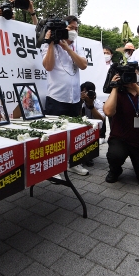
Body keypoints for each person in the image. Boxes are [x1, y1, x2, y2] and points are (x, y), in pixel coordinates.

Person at [41, 15, 89, 176]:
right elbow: (48, 66)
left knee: (73, 132)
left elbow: (83, 65)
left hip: (74, 98)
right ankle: (52, 167)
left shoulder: (76, 46)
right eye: (71, 28)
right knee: (54, 134)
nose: (74, 31)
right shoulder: (49, 46)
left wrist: (67, 48)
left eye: (76, 28)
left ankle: (73, 162)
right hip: (56, 97)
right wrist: (51, 44)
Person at [103, 65, 139, 185]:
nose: (130, 77)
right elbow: (108, 112)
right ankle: (115, 170)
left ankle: (138, 164)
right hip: (120, 139)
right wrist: (115, 88)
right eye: (127, 74)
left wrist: (136, 87)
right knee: (115, 155)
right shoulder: (118, 94)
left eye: (134, 74)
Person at [80, 81, 106, 166]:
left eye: (88, 92)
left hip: (94, 129)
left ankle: (88, 156)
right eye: (84, 93)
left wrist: (91, 105)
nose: (86, 95)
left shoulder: (98, 103)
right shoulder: (79, 102)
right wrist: (80, 102)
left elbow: (101, 119)